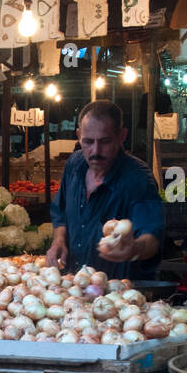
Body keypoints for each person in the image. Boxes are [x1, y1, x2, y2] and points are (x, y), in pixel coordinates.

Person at [46, 100, 164, 279]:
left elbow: (152, 237)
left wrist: (133, 248)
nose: (95, 151)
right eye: (88, 141)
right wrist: (59, 240)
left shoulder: (138, 179)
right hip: (73, 293)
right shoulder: (74, 165)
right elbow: (60, 212)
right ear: (78, 135)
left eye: (105, 142)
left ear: (122, 136)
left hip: (118, 296)